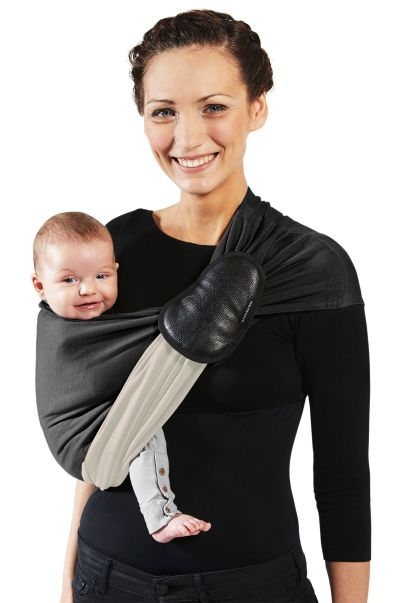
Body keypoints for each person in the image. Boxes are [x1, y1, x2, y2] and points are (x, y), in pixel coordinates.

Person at [57, 9, 370, 603]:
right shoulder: (113, 251)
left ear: (258, 107)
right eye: (164, 111)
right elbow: (106, 425)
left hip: (251, 587)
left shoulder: (309, 268)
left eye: (214, 107)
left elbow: (343, 474)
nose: (188, 137)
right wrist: (69, 575)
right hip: (106, 577)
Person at [32, 211, 211, 544]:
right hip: (83, 444)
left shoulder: (105, 318)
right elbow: (129, 351)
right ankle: (160, 518)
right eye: (69, 280)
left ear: (116, 272)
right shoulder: (61, 332)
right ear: (40, 286)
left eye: (101, 276)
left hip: (98, 435)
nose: (88, 289)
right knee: (144, 431)